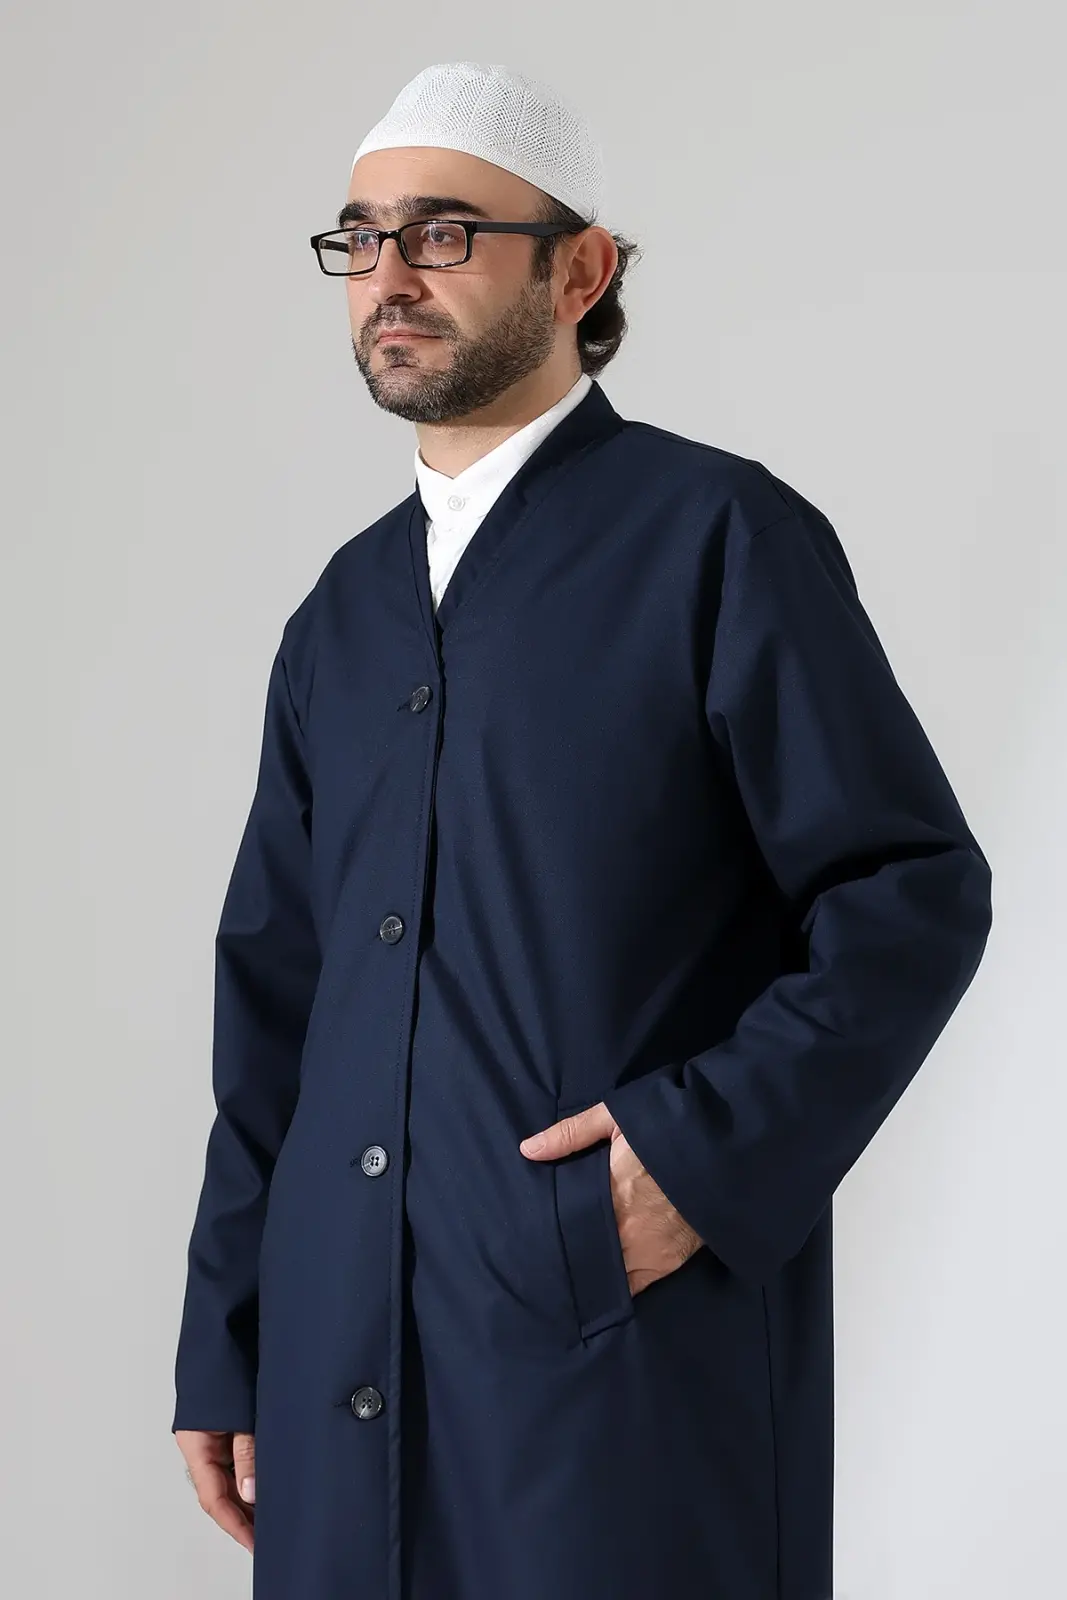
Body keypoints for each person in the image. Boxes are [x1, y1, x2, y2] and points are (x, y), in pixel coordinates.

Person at [171, 59, 993, 1600]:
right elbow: (277, 1002)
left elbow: (905, 891)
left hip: (612, 1358)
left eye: (443, 233)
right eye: (359, 238)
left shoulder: (716, 538)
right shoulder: (339, 618)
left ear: (581, 270)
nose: (388, 276)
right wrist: (230, 1333)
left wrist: (695, 1160)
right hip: (333, 1360)